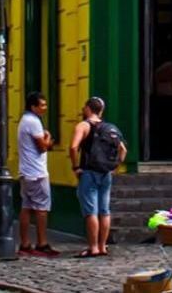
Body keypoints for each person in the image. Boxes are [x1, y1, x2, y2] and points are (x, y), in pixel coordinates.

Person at [69, 96, 126, 258]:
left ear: (87, 108)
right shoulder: (111, 128)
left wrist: (76, 167)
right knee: (104, 211)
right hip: (106, 173)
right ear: (101, 111)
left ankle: (93, 247)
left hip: (89, 172)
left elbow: (73, 147)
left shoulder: (84, 125)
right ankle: (102, 246)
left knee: (91, 211)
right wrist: (115, 166)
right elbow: (123, 150)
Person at [17, 93, 58, 256]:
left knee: (26, 207)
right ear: (33, 107)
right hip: (37, 172)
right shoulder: (34, 122)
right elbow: (42, 146)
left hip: (26, 171)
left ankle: (25, 243)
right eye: (42, 105)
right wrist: (48, 138)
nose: (45, 108)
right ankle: (42, 243)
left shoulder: (24, 120)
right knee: (41, 208)